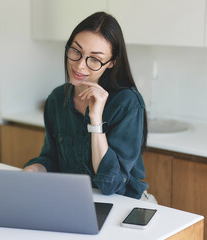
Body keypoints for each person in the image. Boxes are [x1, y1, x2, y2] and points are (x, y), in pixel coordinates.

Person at [24, 12, 156, 203]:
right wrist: (33, 170)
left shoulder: (127, 103)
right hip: (76, 201)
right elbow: (51, 159)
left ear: (111, 62)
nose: (79, 66)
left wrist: (96, 121)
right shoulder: (57, 99)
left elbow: (110, 184)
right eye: (76, 51)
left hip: (123, 204)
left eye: (94, 59)